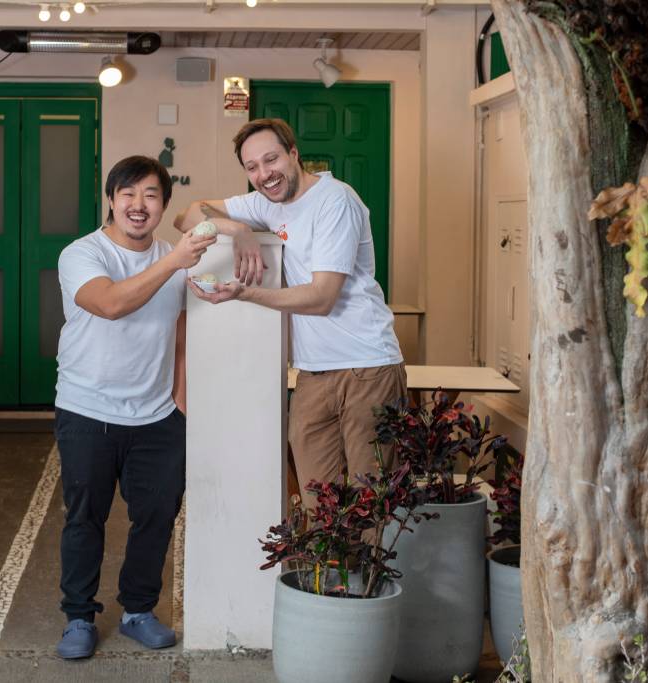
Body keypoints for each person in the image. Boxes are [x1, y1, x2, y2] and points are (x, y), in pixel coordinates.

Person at [175, 118, 405, 507]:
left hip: (367, 368)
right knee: (318, 507)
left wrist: (247, 293)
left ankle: (366, 572)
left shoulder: (336, 200)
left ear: (294, 154)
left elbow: (321, 297)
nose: (264, 174)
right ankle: (330, 572)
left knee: (372, 509)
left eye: (271, 159)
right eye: (252, 167)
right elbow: (187, 214)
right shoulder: (266, 203)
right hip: (313, 373)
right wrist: (237, 229)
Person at [54, 155, 215, 659]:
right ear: (111, 199)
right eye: (128, 194)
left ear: (165, 205)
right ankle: (78, 617)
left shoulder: (176, 257)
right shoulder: (82, 254)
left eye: (150, 195)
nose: (138, 205)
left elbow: (183, 328)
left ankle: (139, 610)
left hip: (157, 415)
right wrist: (171, 262)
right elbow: (110, 304)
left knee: (157, 516)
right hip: (86, 409)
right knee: (85, 517)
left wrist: (182, 398)